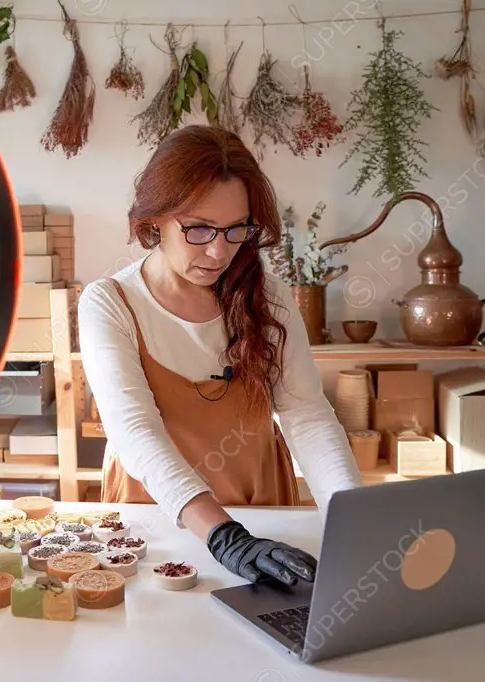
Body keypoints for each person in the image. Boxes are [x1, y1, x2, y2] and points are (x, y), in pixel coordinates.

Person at [77, 125, 362, 589]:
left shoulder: (265, 294)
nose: (218, 251)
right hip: (160, 516)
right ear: (156, 221)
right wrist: (225, 536)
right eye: (199, 229)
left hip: (262, 511)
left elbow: (305, 412)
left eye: (236, 231)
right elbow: (135, 433)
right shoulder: (109, 303)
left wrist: (355, 519)